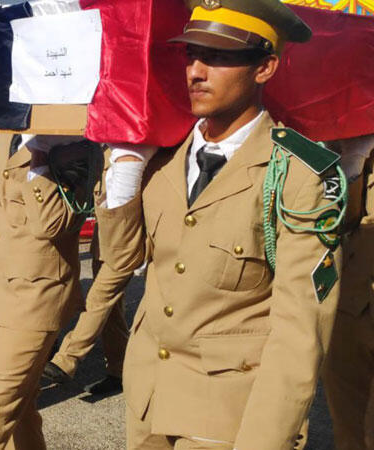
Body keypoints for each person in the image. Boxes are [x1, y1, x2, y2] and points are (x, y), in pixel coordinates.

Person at [101, 1, 343, 448]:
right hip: (147, 402)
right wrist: (124, 176)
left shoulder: (298, 175)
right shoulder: (163, 160)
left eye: (217, 56)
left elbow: (299, 333)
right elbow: (121, 260)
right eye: (190, 54)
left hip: (226, 420)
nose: (195, 70)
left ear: (265, 68)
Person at [0, 134, 96, 449]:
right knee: (19, 410)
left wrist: (42, 158)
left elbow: (52, 224)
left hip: (35, 299)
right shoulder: (9, 137)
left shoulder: (74, 143)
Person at [42, 147, 134, 396]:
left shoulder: (142, 146)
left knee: (99, 298)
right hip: (103, 240)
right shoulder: (100, 150)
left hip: (128, 240)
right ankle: (119, 371)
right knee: (112, 310)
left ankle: (68, 358)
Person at [321, 135, 374, 450]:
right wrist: (350, 163)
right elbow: (335, 220)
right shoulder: (350, 136)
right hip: (350, 308)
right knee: (349, 437)